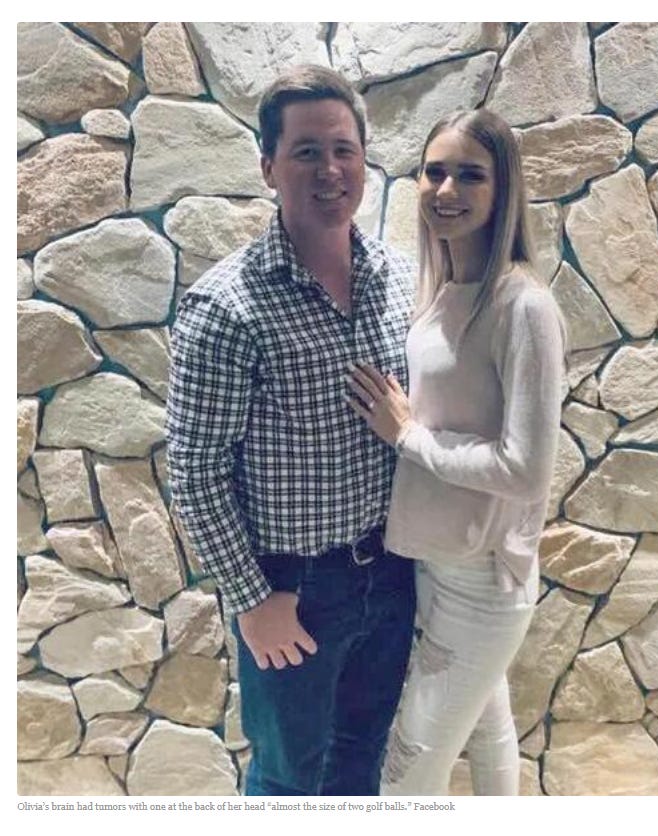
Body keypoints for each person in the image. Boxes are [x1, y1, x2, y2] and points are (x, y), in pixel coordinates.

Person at [166, 65, 417, 796]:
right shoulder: (226, 307)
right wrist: (252, 599)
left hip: (393, 573)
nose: (329, 169)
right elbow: (195, 472)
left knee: (360, 763)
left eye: (343, 150)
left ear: (364, 161)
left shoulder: (399, 279)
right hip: (294, 591)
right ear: (268, 167)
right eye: (306, 151)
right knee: (286, 781)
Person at [345, 108, 564, 795]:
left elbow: (526, 469)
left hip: (485, 579)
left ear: (503, 190)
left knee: (406, 774)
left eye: (471, 175)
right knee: (488, 734)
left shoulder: (522, 305)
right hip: (436, 562)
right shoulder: (441, 292)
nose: (446, 189)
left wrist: (410, 437)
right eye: (434, 171)